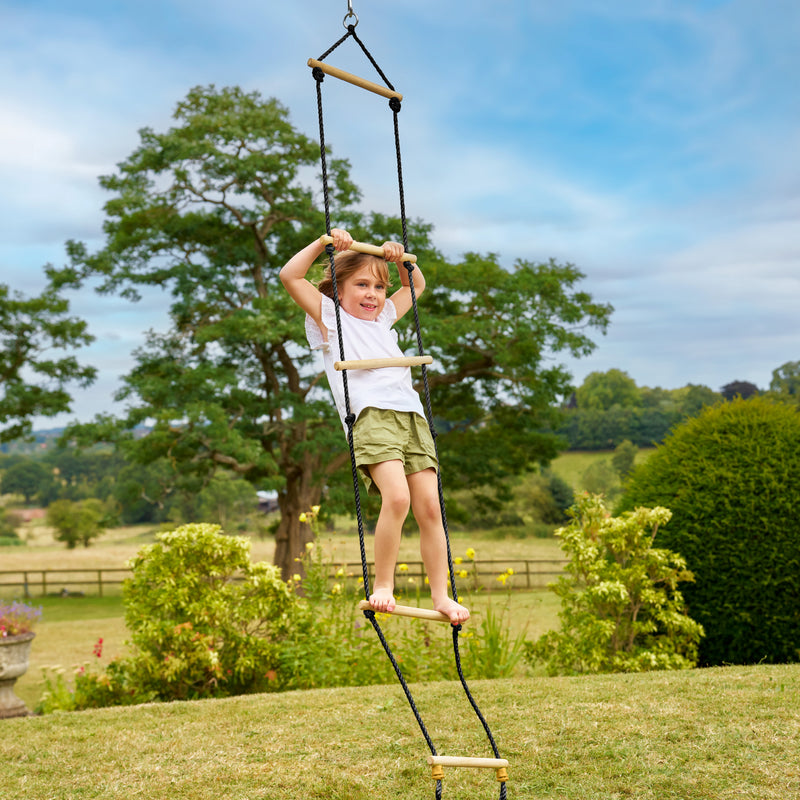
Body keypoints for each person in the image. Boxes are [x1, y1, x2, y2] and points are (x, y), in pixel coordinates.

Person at [280, 228, 470, 625]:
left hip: (411, 415)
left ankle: (442, 595)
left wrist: (400, 260)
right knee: (397, 498)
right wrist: (324, 243)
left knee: (430, 507)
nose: (372, 294)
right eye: (362, 285)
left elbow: (416, 283)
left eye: (378, 287)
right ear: (338, 289)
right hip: (371, 416)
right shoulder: (330, 317)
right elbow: (290, 277)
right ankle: (383, 585)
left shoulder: (383, 318)